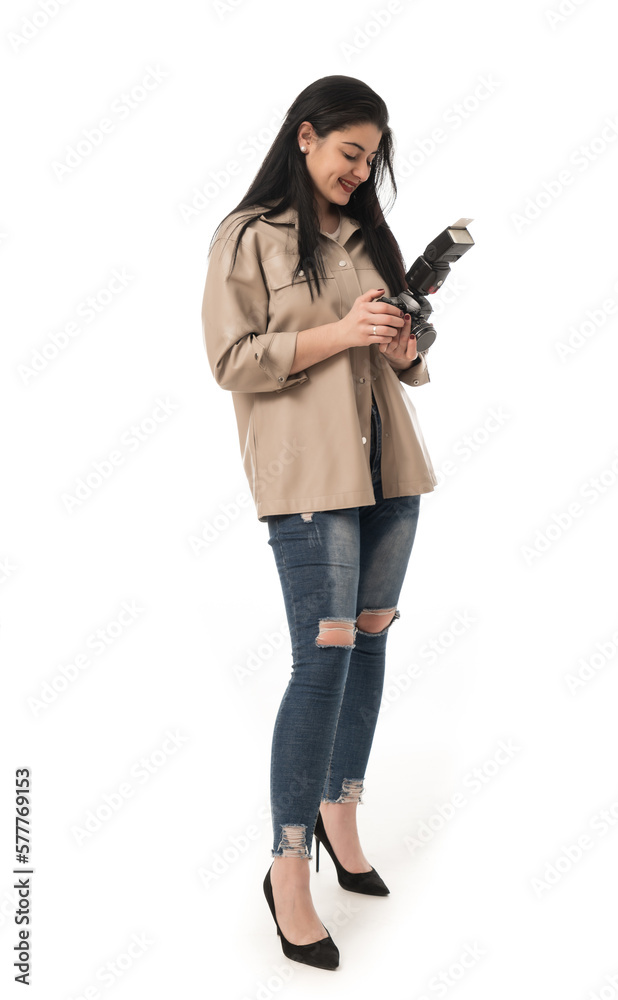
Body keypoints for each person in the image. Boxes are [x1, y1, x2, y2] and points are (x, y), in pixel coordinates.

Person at [201, 75, 438, 971]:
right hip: (309, 482)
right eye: (349, 153)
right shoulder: (247, 237)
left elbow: (392, 362)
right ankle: (287, 865)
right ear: (305, 137)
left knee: (370, 643)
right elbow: (231, 360)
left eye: (371, 159)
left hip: (389, 472)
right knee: (323, 655)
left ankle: (342, 811)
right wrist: (342, 333)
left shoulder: (366, 236)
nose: (360, 171)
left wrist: (403, 347)